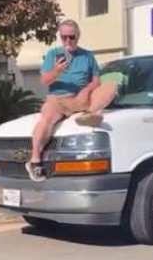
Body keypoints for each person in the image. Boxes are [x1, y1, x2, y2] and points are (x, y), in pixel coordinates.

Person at [26, 19, 117, 182]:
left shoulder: (87, 56)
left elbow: (96, 80)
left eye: (71, 37)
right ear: (60, 37)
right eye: (64, 37)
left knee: (110, 86)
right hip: (58, 99)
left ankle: (89, 114)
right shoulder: (53, 54)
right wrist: (57, 70)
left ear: (78, 36)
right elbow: (45, 81)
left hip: (82, 98)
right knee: (46, 119)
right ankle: (34, 160)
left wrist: (87, 90)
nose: (68, 41)